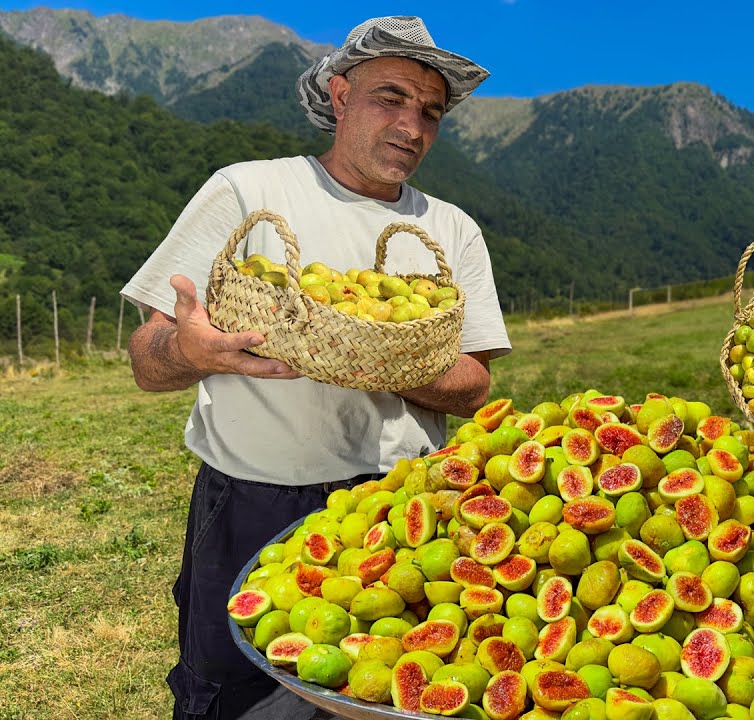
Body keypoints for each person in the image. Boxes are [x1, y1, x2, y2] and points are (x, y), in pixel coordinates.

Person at [121, 16, 511, 720]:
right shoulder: (248, 192)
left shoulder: (452, 230)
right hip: (253, 499)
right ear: (338, 95)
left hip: (402, 509)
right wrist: (189, 351)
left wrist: (376, 359)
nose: (412, 126)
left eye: (430, 111)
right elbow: (148, 358)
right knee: (225, 697)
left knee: (376, 696)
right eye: (390, 98)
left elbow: (473, 385)